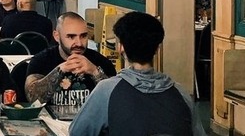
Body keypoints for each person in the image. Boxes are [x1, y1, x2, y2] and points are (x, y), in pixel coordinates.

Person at [70, 11, 206, 136]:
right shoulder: (181, 93)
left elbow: (77, 132)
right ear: (157, 48)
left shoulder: (107, 90)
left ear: (120, 47)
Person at [25, 12, 116, 107]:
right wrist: (59, 70)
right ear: (57, 36)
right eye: (71, 37)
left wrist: (95, 72)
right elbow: (32, 99)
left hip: (90, 120)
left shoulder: (101, 62)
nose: (79, 43)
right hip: (50, 120)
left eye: (83, 36)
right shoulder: (41, 61)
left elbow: (116, 102)